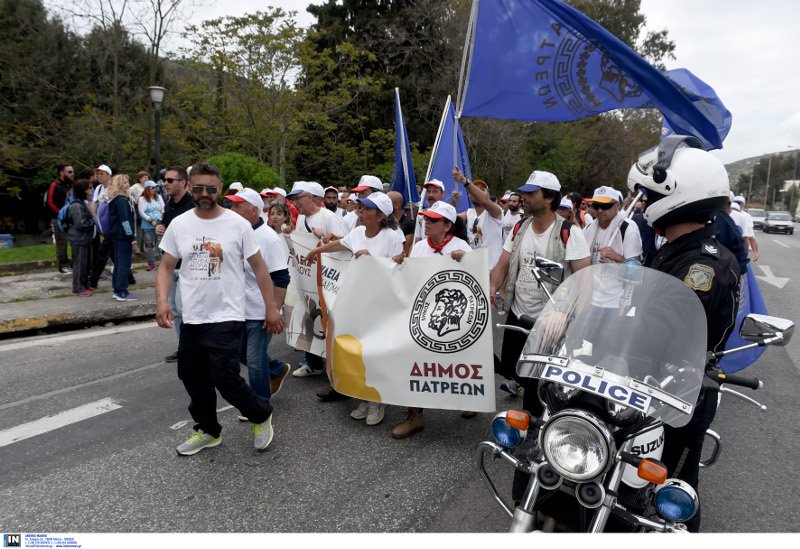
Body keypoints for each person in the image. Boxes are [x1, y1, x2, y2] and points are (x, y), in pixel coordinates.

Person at [627, 136, 740, 532]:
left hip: (680, 392)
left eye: (648, 194)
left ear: (679, 196)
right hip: (644, 382)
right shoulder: (673, 249)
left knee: (672, 490)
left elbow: (662, 328)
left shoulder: (703, 266)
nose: (641, 203)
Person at [156, 162, 285, 456]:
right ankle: (208, 431)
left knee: (224, 377)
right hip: (192, 316)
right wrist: (162, 300)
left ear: (219, 190)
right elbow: (165, 267)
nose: (204, 194)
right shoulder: (180, 224)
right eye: (198, 188)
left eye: (210, 189)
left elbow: (260, 268)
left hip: (227, 315)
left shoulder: (237, 225)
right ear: (189, 187)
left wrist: (271, 308)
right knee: (191, 376)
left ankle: (261, 414)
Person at [489, 170, 590, 406]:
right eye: (523, 193)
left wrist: (569, 319)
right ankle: (530, 414)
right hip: (518, 314)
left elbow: (584, 281)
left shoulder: (569, 233)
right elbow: (503, 263)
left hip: (551, 320)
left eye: (531, 193)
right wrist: (494, 286)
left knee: (543, 380)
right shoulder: (519, 228)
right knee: (516, 368)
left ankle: (537, 424)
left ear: (549, 198)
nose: (523, 197)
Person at [306, 191, 404, 426]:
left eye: (367, 208)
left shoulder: (392, 235)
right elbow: (338, 245)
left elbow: (400, 266)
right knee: (358, 350)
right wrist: (315, 251)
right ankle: (364, 395)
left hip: (380, 304)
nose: (361, 211)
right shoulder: (358, 232)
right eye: (361, 207)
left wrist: (373, 259)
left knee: (374, 352)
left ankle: (376, 400)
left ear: (380, 215)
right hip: (357, 300)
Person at [390, 200, 474, 438]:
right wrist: (401, 264)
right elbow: (411, 278)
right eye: (426, 218)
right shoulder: (418, 247)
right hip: (424, 311)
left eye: (433, 220)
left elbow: (474, 282)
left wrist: (466, 261)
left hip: (454, 313)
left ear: (447, 226)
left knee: (460, 358)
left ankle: (469, 398)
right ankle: (414, 415)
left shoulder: (462, 247)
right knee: (415, 361)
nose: (426, 223)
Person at [228, 188, 293, 413]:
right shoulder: (233, 232)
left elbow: (281, 278)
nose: (232, 209)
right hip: (236, 309)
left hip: (259, 310)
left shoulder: (268, 238)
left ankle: (260, 405)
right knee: (240, 353)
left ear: (254, 210)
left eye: (238, 205)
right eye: (232, 205)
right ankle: (275, 369)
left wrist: (273, 309)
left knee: (255, 360)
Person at [286, 181, 348, 379]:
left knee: (328, 319)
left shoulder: (328, 217)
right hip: (308, 276)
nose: (295, 203)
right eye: (293, 199)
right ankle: (312, 362)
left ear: (312, 197)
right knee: (308, 314)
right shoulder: (302, 218)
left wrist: (324, 239)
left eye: (299, 198)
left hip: (327, 278)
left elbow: (345, 243)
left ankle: (336, 366)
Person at [155, 166, 195, 363]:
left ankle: (194, 348)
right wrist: (159, 228)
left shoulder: (193, 205)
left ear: (183, 183)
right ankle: (184, 348)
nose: (165, 183)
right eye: (165, 180)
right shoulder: (170, 204)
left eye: (170, 180)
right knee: (177, 311)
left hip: (188, 266)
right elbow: (165, 226)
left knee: (184, 308)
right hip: (171, 265)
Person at [452, 168, 504, 270]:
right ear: (469, 195)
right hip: (474, 269)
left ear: (488, 194)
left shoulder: (497, 211)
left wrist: (464, 181)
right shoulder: (468, 213)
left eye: (482, 190)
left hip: (492, 269)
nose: (478, 192)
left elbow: (484, 201)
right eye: (475, 189)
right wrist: (453, 202)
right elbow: (448, 219)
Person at [583, 185, 642, 266]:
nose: (600, 210)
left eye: (605, 206)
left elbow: (636, 270)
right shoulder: (587, 229)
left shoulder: (627, 231)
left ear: (617, 206)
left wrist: (617, 257)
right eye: (596, 206)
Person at [106, 174, 138, 302]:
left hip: (117, 236)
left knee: (119, 263)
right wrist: (131, 237)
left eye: (127, 182)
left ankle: (117, 289)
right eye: (125, 183)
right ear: (119, 185)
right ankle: (122, 291)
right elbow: (125, 220)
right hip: (123, 236)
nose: (128, 185)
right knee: (124, 264)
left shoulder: (116, 199)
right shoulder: (121, 200)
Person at [64, 178, 95, 296]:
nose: (91, 189)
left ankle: (84, 285)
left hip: (85, 238)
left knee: (86, 264)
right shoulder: (76, 205)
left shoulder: (83, 202)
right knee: (80, 264)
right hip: (79, 239)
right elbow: (80, 223)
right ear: (84, 190)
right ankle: (78, 288)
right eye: (89, 187)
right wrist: (93, 221)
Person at [88, 164, 114, 289]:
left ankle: (93, 281)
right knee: (113, 253)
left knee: (102, 253)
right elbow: (93, 204)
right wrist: (95, 218)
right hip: (102, 225)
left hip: (113, 226)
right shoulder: (98, 188)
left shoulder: (115, 187)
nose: (98, 176)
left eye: (102, 174)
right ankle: (129, 276)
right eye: (97, 174)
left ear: (109, 175)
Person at [47, 164, 74, 273]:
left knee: (74, 241)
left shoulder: (71, 185)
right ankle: (63, 265)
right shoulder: (55, 185)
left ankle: (74, 263)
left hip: (71, 217)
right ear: (62, 173)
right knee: (62, 242)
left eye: (72, 171)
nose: (72, 174)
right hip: (58, 218)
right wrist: (60, 213)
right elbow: (50, 201)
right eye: (69, 172)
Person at [138, 180, 165, 271]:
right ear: (147, 188)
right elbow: (141, 212)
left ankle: (164, 263)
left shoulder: (159, 197)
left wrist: (160, 219)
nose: (155, 189)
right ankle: (151, 263)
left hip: (159, 223)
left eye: (155, 187)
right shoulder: (142, 199)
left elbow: (163, 209)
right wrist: (151, 220)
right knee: (149, 244)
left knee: (161, 244)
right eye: (153, 187)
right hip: (147, 225)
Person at [730, 195, 759, 261]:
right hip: (739, 251)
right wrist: (755, 252)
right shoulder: (745, 216)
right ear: (743, 204)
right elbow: (749, 237)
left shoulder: (719, 214)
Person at [386, 190, 415, 256]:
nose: (384, 205)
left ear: (397, 205)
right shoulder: (382, 221)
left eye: (387, 202)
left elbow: (405, 252)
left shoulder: (409, 224)